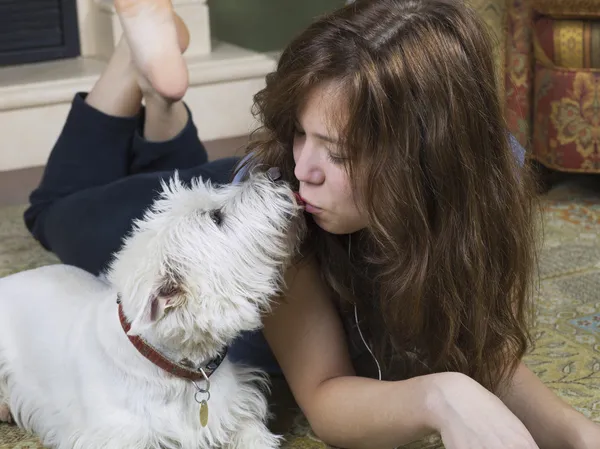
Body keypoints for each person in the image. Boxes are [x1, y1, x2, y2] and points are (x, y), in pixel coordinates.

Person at [23, 1, 600, 448]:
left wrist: (575, 432)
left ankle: (165, 107)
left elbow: (477, 336)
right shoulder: (288, 195)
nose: (305, 168)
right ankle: (135, 64)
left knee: (192, 169)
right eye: (300, 130)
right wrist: (443, 396)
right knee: (53, 212)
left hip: (245, 204)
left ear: (430, 161)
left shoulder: (484, 180)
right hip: (217, 223)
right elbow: (323, 396)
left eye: (339, 153)